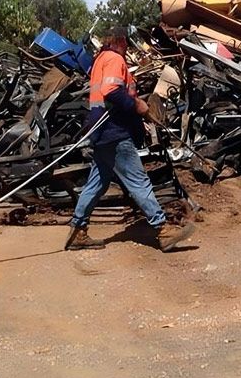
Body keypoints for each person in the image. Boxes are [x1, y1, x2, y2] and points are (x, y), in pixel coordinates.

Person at [65, 26, 193, 252]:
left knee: (97, 182)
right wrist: (139, 106)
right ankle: (163, 230)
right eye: (126, 42)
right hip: (113, 131)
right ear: (120, 40)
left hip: (100, 130)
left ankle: (78, 230)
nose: (127, 47)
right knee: (138, 180)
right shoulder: (114, 59)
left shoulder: (100, 60)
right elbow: (112, 91)